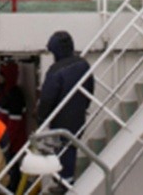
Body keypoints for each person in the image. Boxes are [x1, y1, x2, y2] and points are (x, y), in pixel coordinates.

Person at [37, 30, 94, 187]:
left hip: (61, 119)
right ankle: (65, 179)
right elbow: (90, 89)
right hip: (78, 115)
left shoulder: (55, 71)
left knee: (62, 148)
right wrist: (83, 106)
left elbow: (47, 98)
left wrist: (41, 119)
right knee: (71, 147)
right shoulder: (83, 64)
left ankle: (65, 182)